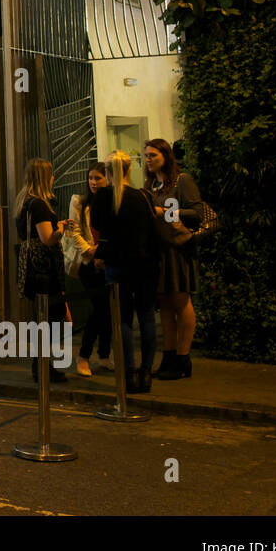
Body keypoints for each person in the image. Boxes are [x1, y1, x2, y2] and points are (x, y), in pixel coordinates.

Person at [90, 150, 158, 393]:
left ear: (107, 172)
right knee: (147, 317)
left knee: (123, 320)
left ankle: (128, 372)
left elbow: (96, 227)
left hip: (116, 265)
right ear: (129, 170)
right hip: (144, 264)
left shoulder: (103, 196)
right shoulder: (142, 196)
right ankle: (146, 373)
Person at [144, 138, 201, 380]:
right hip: (158, 250)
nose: (148, 160)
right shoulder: (150, 186)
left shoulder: (182, 180)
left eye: (153, 155)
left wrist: (169, 213)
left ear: (166, 157)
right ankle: (168, 356)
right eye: (146, 156)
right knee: (164, 304)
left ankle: (183, 357)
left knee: (180, 300)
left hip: (177, 250)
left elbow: (198, 211)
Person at [14, 157, 69, 383]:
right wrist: (62, 227)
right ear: (46, 177)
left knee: (42, 317)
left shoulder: (23, 200)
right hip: (43, 267)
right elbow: (47, 239)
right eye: (51, 174)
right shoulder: (39, 204)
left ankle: (42, 365)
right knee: (50, 316)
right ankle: (44, 367)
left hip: (30, 265)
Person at [68, 162, 113, 376]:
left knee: (108, 309)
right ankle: (84, 356)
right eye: (91, 178)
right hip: (88, 263)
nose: (93, 182)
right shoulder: (79, 201)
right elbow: (74, 231)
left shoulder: (113, 201)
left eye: (98, 178)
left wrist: (104, 253)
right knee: (100, 307)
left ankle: (104, 355)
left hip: (107, 262)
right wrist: (92, 252)